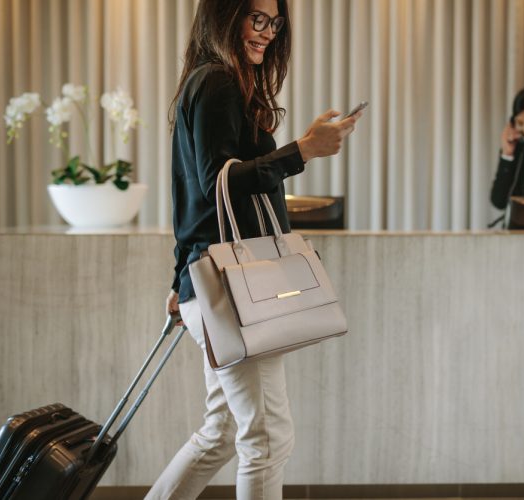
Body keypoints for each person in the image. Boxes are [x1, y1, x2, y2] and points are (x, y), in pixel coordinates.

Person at [146, 0, 363, 498]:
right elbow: (218, 182)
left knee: (222, 432)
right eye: (256, 18)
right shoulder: (219, 81)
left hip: (213, 287)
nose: (267, 32)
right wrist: (302, 150)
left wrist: (180, 281)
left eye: (275, 21)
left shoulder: (206, 81)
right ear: (226, 16)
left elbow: (194, 199)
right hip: (233, 295)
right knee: (267, 439)